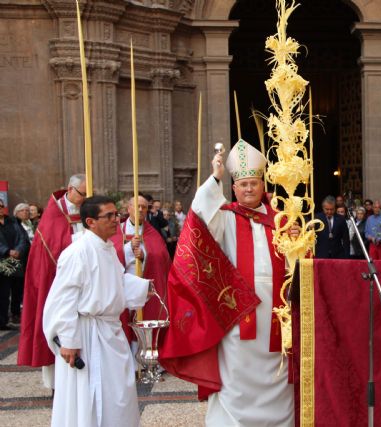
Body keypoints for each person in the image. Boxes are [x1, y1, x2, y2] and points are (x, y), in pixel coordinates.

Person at [159, 139, 294, 426]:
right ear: (233, 188)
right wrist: (215, 177)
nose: (248, 188)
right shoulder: (225, 217)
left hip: (277, 314)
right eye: (242, 183)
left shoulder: (282, 221)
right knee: (236, 376)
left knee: (279, 372)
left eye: (253, 183)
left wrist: (298, 239)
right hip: (239, 314)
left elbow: (298, 264)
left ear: (263, 186)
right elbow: (199, 218)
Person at [42, 195, 150, 427]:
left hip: (110, 332)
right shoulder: (77, 252)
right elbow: (63, 299)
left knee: (118, 394)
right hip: (87, 335)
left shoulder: (107, 248)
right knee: (89, 396)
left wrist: (145, 287)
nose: (116, 220)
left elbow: (115, 282)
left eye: (116, 214)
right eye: (109, 216)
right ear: (90, 221)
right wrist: (69, 339)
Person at [18, 174, 87, 388]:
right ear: (70, 189)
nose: (85, 199)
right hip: (55, 281)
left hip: (83, 282)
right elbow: (54, 249)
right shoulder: (53, 215)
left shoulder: (85, 210)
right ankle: (56, 385)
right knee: (56, 328)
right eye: (82, 194)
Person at [111, 196, 171, 344]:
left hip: (145, 281)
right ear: (128, 208)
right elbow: (109, 255)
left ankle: (145, 354)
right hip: (123, 281)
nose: (140, 210)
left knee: (144, 318)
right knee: (125, 320)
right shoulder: (117, 230)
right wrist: (128, 248)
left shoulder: (152, 233)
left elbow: (162, 258)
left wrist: (145, 257)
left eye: (144, 207)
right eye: (137, 206)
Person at [0, 200, 28, 330]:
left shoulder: (12, 221)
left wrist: (18, 250)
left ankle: (11, 317)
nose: (1, 209)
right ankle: (2, 320)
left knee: (14, 290)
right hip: (2, 261)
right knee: (2, 293)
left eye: (2, 206)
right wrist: (7, 251)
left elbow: (23, 237)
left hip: (15, 261)